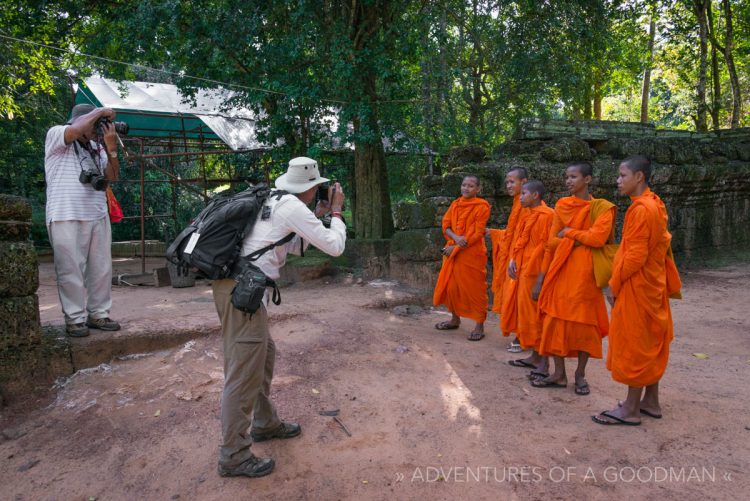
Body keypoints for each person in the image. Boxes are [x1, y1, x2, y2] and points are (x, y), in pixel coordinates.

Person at [213, 157, 346, 478]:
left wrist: (318, 217)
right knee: (243, 371)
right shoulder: (289, 205)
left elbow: (290, 244)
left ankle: (264, 423)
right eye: (319, 188)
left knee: (263, 355)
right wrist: (338, 213)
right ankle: (233, 454)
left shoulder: (274, 199)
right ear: (313, 188)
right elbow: (335, 246)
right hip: (241, 292)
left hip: (236, 287)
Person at [593, 155, 682, 426]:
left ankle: (631, 409)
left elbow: (635, 256)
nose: (618, 181)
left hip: (638, 285)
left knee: (635, 343)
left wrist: (614, 283)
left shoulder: (642, 209)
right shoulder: (655, 203)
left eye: (622, 175)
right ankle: (650, 401)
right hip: (651, 284)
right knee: (650, 339)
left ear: (639, 177)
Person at [532, 162, 615, 396]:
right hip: (560, 272)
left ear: (587, 179)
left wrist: (568, 234)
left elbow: (599, 239)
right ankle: (559, 373)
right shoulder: (562, 204)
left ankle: (580, 374)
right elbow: (551, 242)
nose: (568, 181)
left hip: (586, 276)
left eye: (574, 176)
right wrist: (580, 240)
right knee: (554, 322)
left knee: (584, 327)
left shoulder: (601, 208)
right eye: (566, 177)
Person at [44, 103, 122, 338]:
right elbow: (76, 130)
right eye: (96, 125)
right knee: (70, 270)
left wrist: (111, 149)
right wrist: (102, 111)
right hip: (65, 213)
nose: (97, 130)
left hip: (97, 213)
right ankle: (75, 318)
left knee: (101, 269)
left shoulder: (97, 148)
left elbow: (112, 177)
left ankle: (99, 314)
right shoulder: (57, 134)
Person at [505, 181, 554, 379]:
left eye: (524, 193)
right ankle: (534, 356)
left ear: (535, 195)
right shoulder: (528, 215)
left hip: (536, 274)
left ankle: (544, 363)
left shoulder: (548, 215)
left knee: (538, 317)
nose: (521, 196)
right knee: (527, 315)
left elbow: (548, 248)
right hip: (523, 271)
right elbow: (521, 241)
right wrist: (512, 260)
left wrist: (540, 279)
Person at [433, 175, 491, 341]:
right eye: (464, 185)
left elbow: (477, 233)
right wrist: (456, 238)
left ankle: (479, 324)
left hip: (471, 253)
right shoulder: (456, 204)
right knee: (452, 287)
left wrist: (456, 246)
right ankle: (454, 318)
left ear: (478, 189)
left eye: (471, 186)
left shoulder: (482, 207)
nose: (466, 188)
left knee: (475, 289)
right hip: (453, 250)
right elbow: (446, 225)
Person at [487, 167, 529, 352]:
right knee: (515, 297)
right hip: (515, 255)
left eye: (512, 182)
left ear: (524, 182)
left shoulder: (529, 205)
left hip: (524, 258)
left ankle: (524, 336)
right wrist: (495, 233)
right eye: (507, 182)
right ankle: (521, 333)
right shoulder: (517, 203)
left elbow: (527, 235)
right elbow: (513, 233)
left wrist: (517, 257)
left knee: (522, 298)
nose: (508, 185)